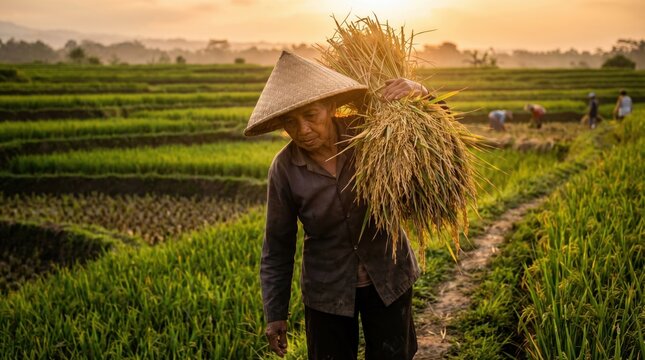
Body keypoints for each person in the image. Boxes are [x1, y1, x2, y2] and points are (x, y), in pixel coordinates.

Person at [245, 51, 425, 360]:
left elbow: (434, 140)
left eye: (311, 116)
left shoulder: (372, 133)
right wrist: (275, 314)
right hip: (327, 290)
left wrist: (420, 93)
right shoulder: (284, 169)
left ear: (330, 108)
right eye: (290, 122)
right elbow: (277, 246)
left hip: (388, 274)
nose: (302, 130)